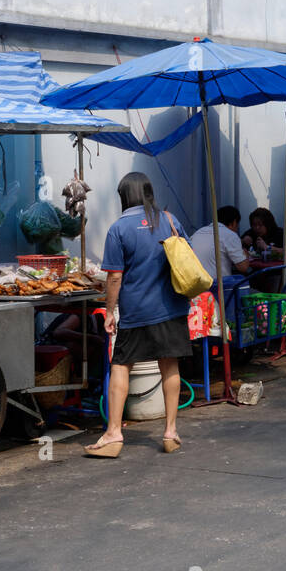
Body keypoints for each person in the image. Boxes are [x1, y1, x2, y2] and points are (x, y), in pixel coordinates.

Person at [87, 172, 189, 457]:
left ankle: (114, 433)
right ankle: (170, 432)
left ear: (124, 197)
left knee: (121, 365)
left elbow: (115, 277)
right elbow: (185, 255)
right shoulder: (169, 220)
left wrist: (109, 312)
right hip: (171, 307)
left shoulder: (118, 228)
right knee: (169, 365)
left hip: (136, 311)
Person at [190, 205, 251, 281]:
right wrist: (246, 254)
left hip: (194, 285)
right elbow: (244, 267)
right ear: (234, 222)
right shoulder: (230, 235)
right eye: (237, 226)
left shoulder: (198, 232)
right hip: (217, 287)